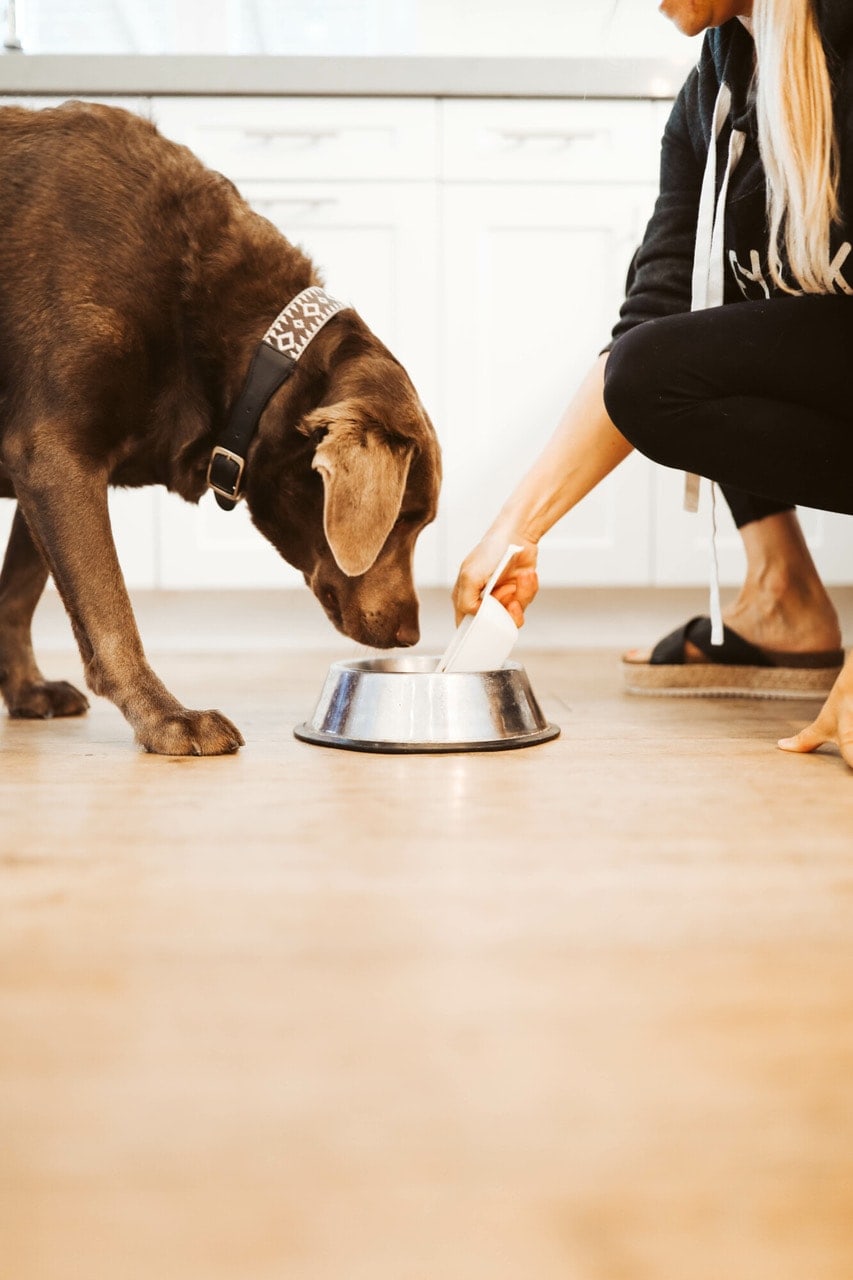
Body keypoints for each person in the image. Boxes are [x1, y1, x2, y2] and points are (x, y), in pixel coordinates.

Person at [452, 0, 853, 769]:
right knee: (661, 364)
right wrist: (516, 531)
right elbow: (649, 327)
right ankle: (783, 594)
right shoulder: (711, 95)